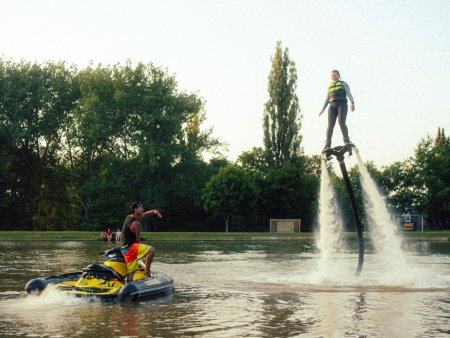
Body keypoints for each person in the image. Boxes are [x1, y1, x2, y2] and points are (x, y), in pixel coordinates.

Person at [120, 201, 162, 282]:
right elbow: (137, 239)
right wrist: (138, 252)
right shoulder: (136, 223)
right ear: (136, 209)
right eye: (141, 208)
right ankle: (147, 271)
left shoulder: (129, 217)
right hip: (131, 247)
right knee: (151, 250)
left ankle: (129, 286)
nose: (143, 209)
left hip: (124, 249)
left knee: (131, 271)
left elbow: (145, 215)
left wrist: (154, 211)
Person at [319, 70, 355, 152]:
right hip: (332, 106)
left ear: (338, 75)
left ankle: (347, 141)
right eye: (332, 76)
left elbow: (349, 94)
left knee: (341, 122)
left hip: (342, 104)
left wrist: (352, 103)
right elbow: (327, 98)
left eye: (335, 75)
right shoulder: (330, 86)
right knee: (330, 124)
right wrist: (323, 109)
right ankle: (327, 144)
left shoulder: (343, 84)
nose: (333, 77)